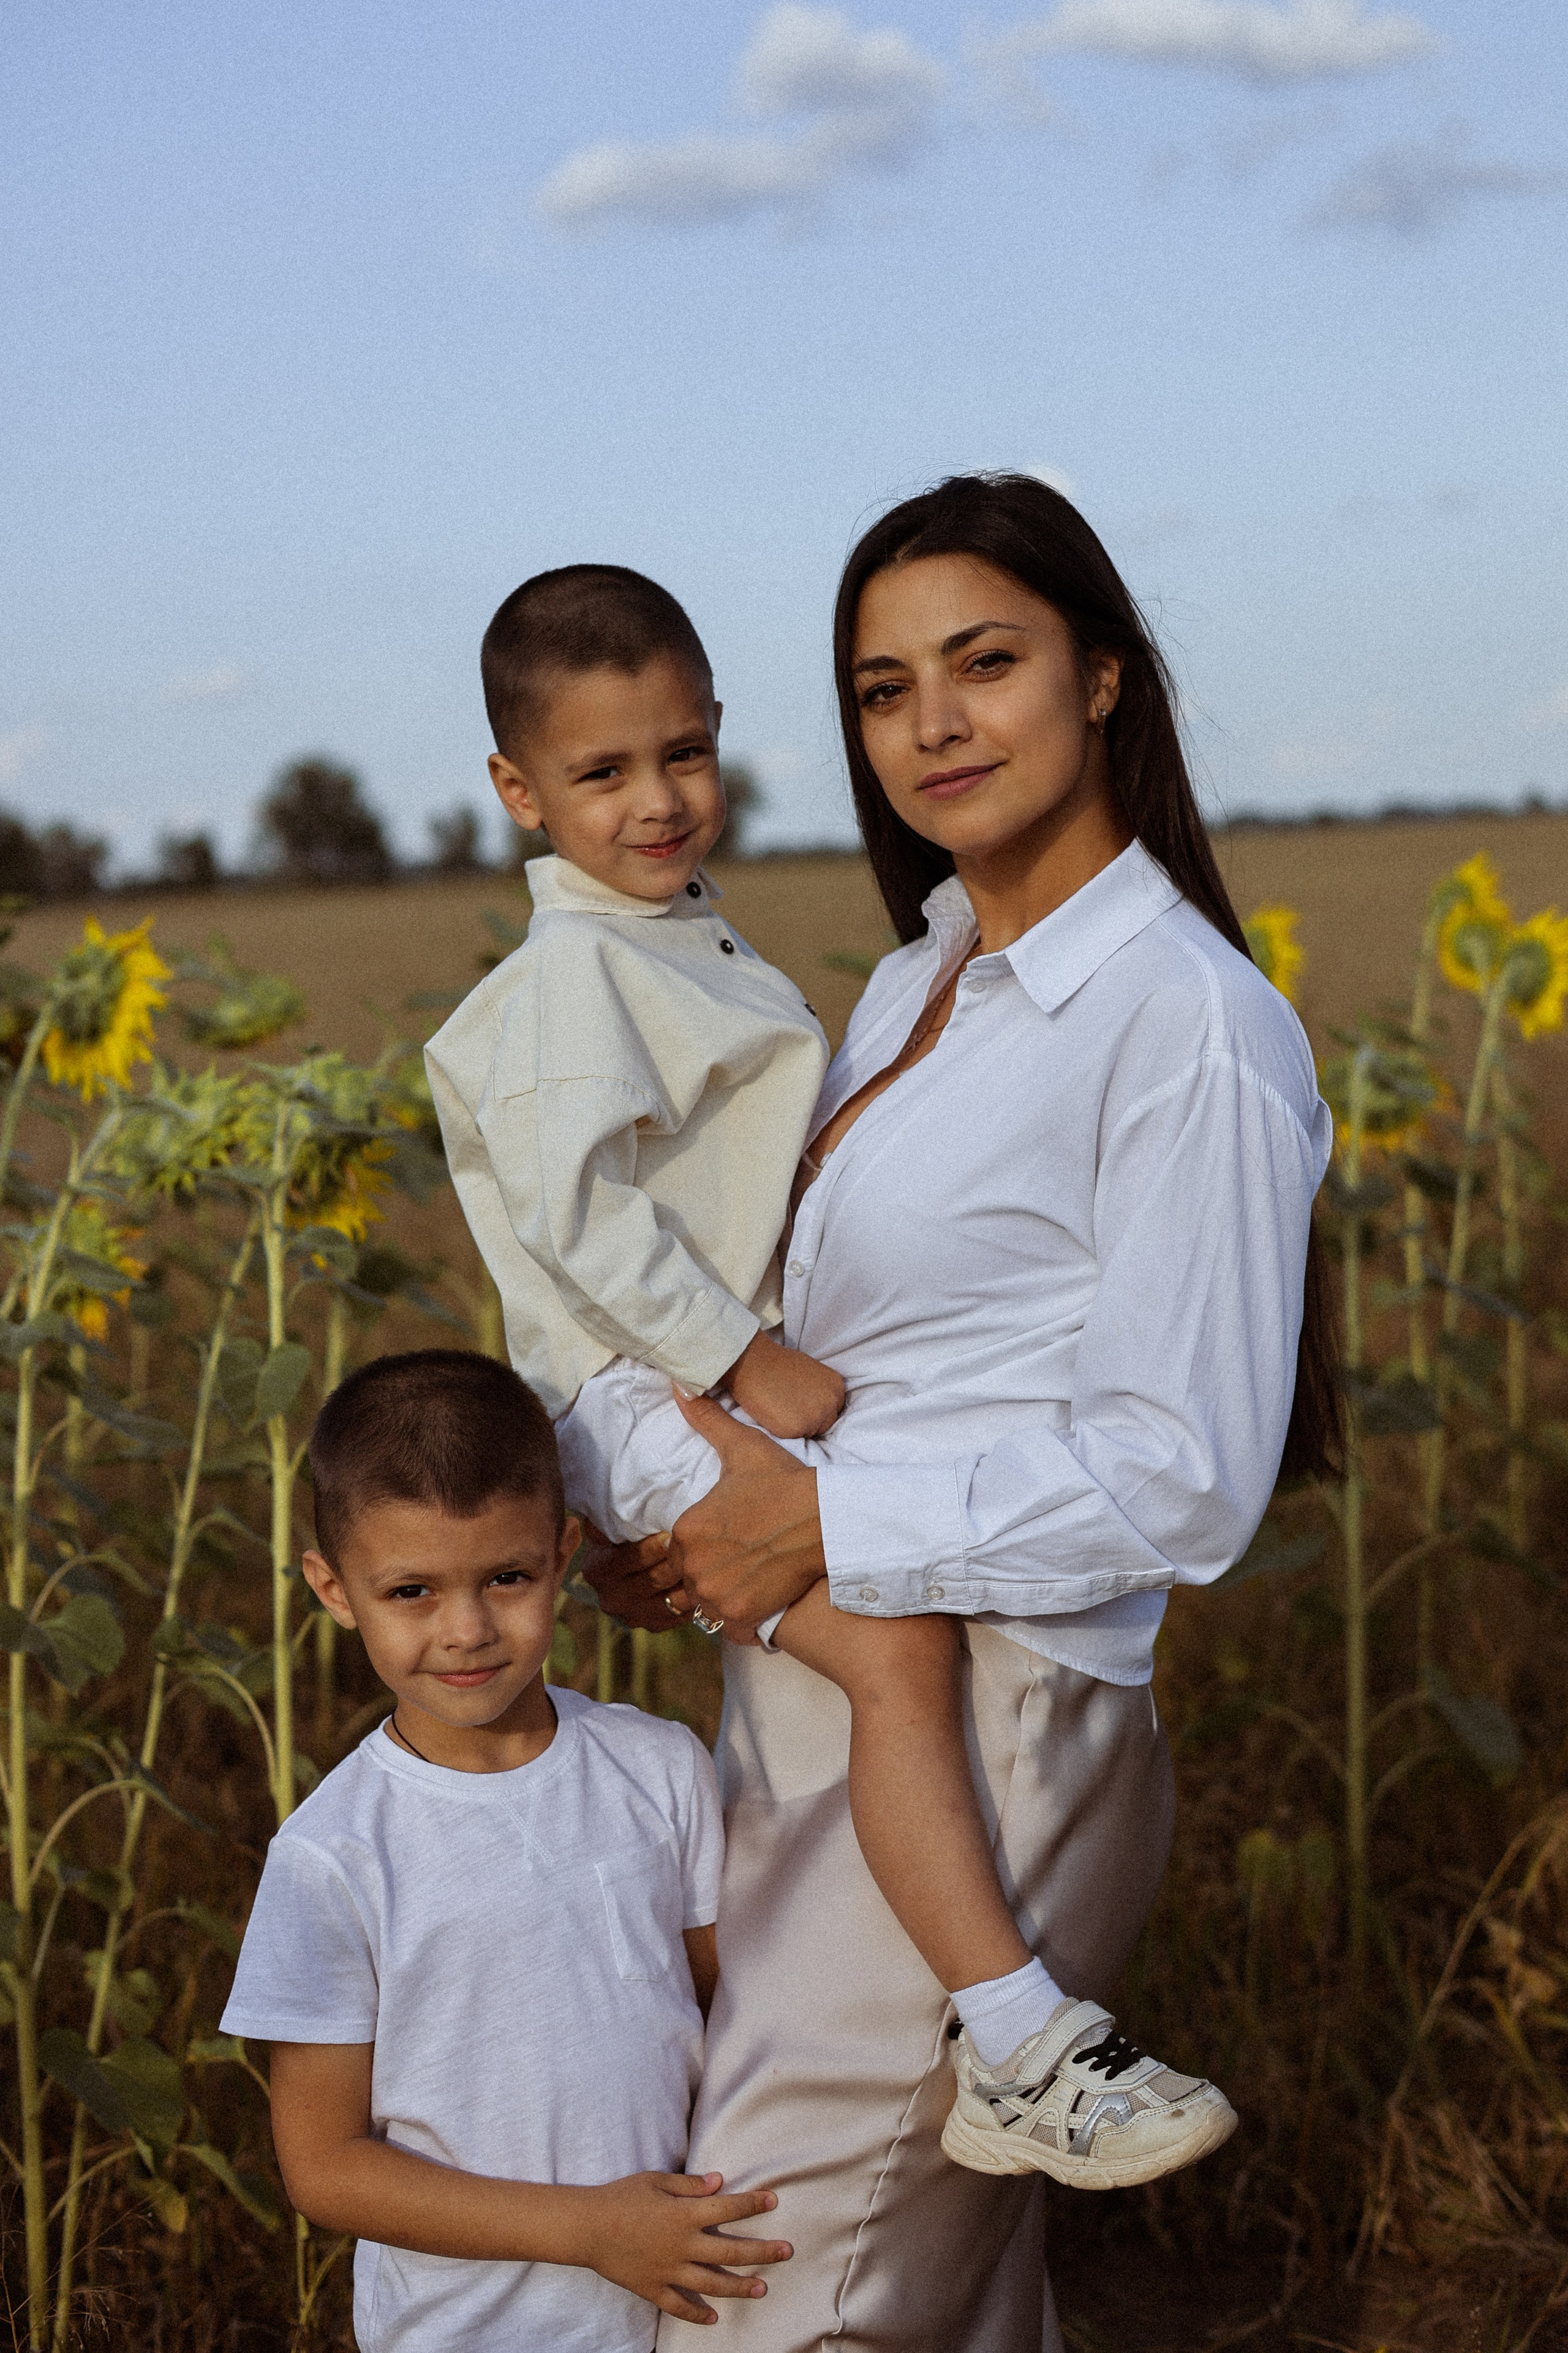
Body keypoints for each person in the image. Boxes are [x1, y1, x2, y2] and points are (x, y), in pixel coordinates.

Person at [586, 473, 1340, 2350]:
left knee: (780, 2292)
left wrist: (815, 1525)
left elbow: (1186, 1481)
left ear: (1101, 676)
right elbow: (865, 1355)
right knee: (944, 2292)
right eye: (880, 685)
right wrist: (697, 1534)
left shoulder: (1186, 1020)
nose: (932, 722)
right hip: (827, 1695)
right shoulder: (923, 977)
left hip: (1000, 1719)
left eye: (984, 662)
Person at [423, 563, 1224, 2185]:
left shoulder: (674, 945)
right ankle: (1013, 2033)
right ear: (517, 791)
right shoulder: (573, 985)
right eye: (602, 772)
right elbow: (581, 1216)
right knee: (895, 1655)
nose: (659, 800)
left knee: (872, 1662)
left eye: (685, 754)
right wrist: (745, 1360)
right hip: (646, 1388)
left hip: (680, 1389)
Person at [219, 1350, 792, 2350]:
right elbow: (326, 2166)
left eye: (508, 1576)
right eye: (411, 1592)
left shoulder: (659, 1768)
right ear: (333, 1587)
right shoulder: (335, 1854)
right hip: (465, 2329)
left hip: (684, 2317)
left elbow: (721, 2014)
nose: (469, 1629)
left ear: (565, 1550)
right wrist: (589, 2230)